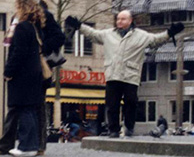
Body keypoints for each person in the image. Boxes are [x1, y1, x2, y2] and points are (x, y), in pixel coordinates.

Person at [66, 10, 183, 138]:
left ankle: (129, 127)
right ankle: (113, 130)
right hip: (113, 74)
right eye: (118, 19)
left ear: (130, 20)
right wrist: (79, 26)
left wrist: (170, 33)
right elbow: (93, 34)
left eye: (123, 19)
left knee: (131, 102)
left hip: (130, 75)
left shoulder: (141, 35)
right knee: (112, 104)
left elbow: (156, 40)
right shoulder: (108, 34)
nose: (119, 21)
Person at [0, 0, 65, 156]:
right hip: (28, 66)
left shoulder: (41, 15)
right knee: (20, 106)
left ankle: (35, 144)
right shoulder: (17, 17)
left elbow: (58, 37)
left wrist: (40, 49)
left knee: (32, 106)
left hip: (34, 66)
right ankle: (11, 143)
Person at [3, 0, 46, 157]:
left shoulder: (22, 28)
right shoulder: (34, 27)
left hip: (22, 75)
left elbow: (17, 53)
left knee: (24, 110)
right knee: (30, 110)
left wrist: (8, 72)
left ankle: (26, 146)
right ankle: (31, 145)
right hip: (33, 74)